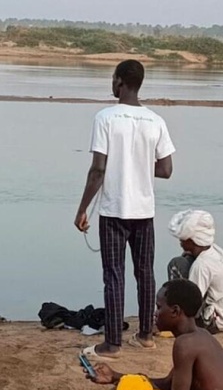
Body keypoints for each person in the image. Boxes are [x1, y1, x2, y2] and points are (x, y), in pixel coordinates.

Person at [74, 60, 175, 358]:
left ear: (119, 81)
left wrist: (82, 208)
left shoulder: (106, 118)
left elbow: (97, 170)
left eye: (113, 78)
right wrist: (139, 166)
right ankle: (146, 334)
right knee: (145, 272)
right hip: (144, 210)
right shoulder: (155, 121)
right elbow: (167, 169)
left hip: (114, 210)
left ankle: (113, 342)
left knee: (114, 274)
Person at [87, 280, 223, 390]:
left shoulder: (185, 344)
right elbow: (168, 383)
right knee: (129, 389)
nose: (155, 313)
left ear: (175, 311)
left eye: (159, 307)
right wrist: (114, 377)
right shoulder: (200, 336)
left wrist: (141, 387)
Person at [167, 210, 223, 332]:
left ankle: (176, 319)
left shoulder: (201, 265)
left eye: (183, 239)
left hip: (217, 322)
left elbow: (192, 301)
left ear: (192, 240)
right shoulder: (215, 251)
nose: (180, 242)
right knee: (182, 261)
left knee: (176, 265)